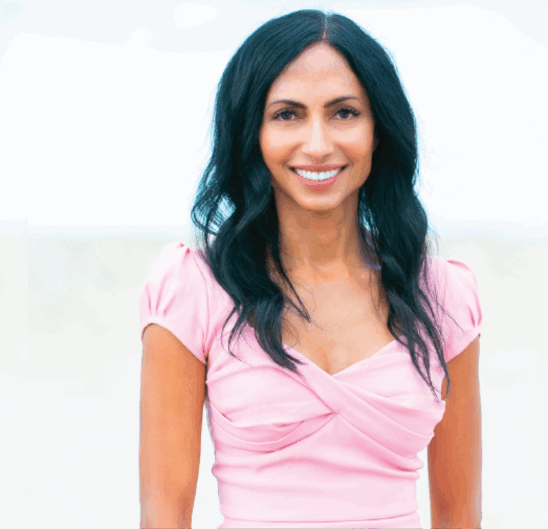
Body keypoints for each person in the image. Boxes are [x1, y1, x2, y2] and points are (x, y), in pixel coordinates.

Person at [138, 9, 482, 528]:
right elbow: (164, 516)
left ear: (378, 130)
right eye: (287, 114)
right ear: (250, 132)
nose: (318, 144)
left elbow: (459, 515)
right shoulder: (193, 288)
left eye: (344, 113)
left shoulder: (443, 295)